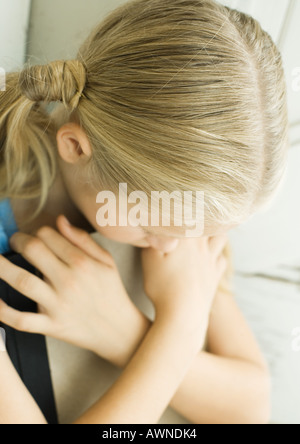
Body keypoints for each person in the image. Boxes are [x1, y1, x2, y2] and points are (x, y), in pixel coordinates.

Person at [0, 0, 288, 424]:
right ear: (75, 147)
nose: (174, 246)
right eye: (155, 226)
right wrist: (181, 327)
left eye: (195, 230)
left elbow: (250, 408)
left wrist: (119, 332)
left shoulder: (176, 214)